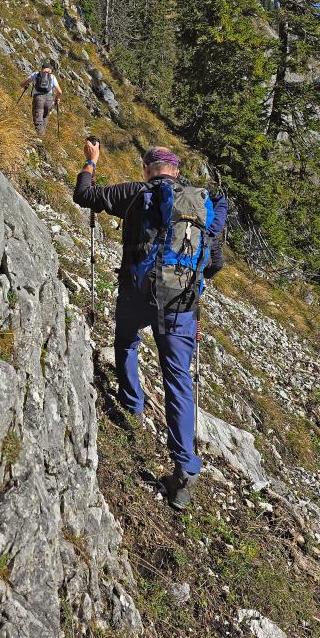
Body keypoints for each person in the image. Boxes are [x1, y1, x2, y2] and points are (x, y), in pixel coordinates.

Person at [73, 140, 227, 510]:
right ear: (175, 170)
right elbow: (214, 265)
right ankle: (184, 472)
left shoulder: (136, 193)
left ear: (148, 169)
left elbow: (84, 195)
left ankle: (132, 403)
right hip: (181, 307)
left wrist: (91, 162)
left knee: (126, 342)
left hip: (136, 296)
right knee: (178, 380)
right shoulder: (200, 205)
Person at [21, 61, 63, 138]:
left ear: (43, 68)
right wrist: (57, 99)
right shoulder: (52, 77)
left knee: (38, 117)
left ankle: (41, 137)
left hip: (38, 98)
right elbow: (59, 91)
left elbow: (25, 82)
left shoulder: (36, 74)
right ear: (50, 69)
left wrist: (23, 85)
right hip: (49, 99)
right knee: (45, 116)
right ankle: (43, 135)